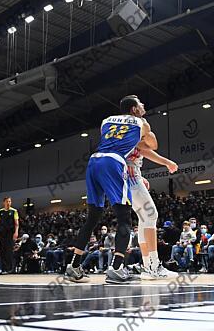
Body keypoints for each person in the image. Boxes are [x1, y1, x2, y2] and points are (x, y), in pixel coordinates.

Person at [66, 95, 156, 284]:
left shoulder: (106, 120)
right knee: (124, 216)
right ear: (134, 109)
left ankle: (73, 266)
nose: (143, 105)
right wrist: (143, 128)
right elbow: (152, 145)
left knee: (93, 216)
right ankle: (116, 269)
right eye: (140, 103)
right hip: (114, 162)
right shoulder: (142, 123)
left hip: (94, 160)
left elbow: (114, 137)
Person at [126, 140, 179, 279]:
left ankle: (147, 266)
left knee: (144, 218)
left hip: (128, 178)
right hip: (131, 179)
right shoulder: (137, 129)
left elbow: (127, 159)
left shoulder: (124, 133)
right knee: (151, 215)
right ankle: (154, 266)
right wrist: (168, 162)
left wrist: (140, 175)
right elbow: (147, 150)